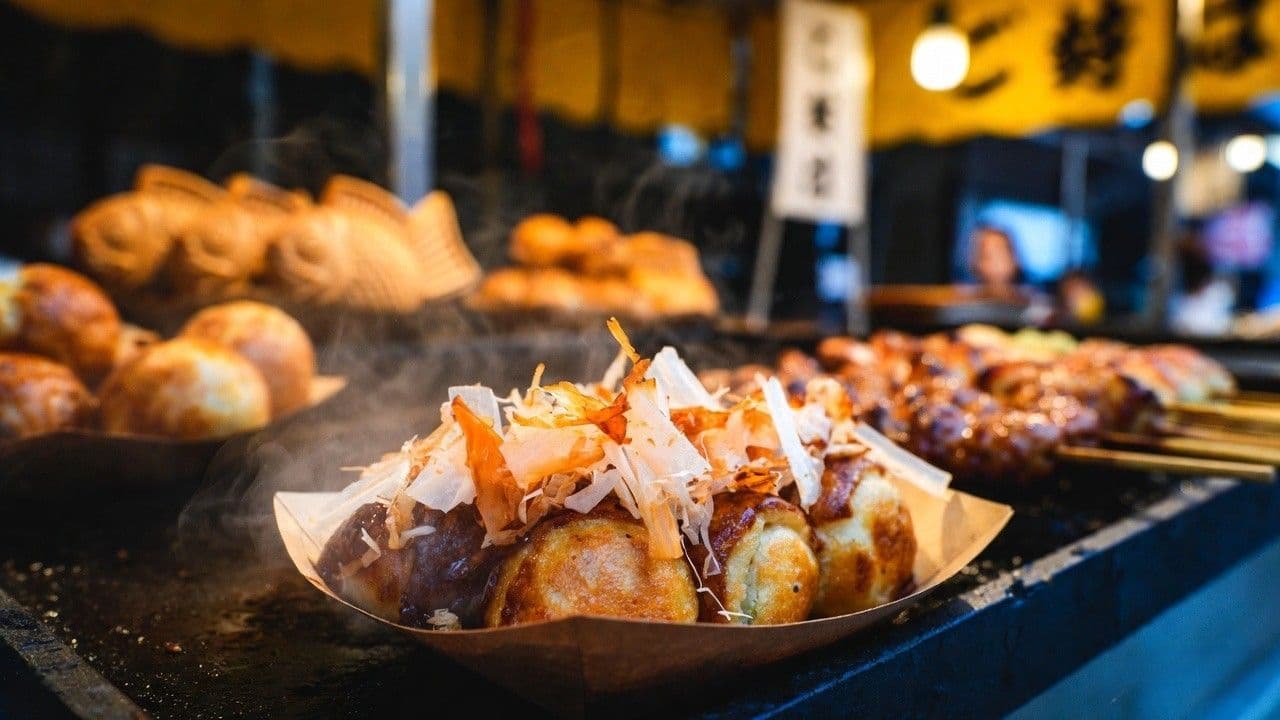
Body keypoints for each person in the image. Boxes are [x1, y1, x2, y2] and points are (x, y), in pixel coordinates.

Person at [967, 224, 1023, 293]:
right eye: (988, 256)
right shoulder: (963, 295)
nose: (996, 263)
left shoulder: (1029, 296)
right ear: (976, 263)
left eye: (1001, 254)